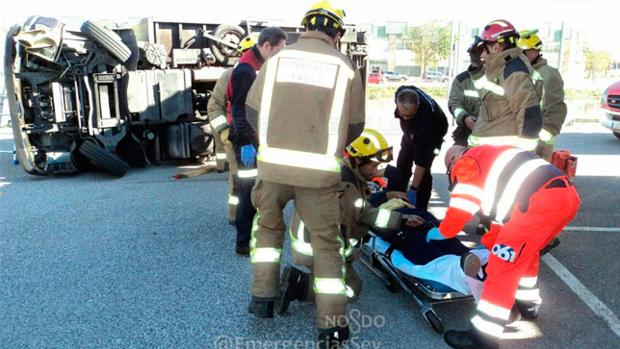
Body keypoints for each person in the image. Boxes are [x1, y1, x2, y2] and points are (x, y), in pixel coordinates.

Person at [244, 2, 365, 347]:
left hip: (273, 169)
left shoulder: (277, 59)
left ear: (305, 27)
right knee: (327, 246)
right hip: (320, 176)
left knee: (267, 231)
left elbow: (251, 111)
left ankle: (262, 300)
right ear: (337, 33)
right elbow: (355, 126)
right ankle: (332, 327)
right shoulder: (344, 67)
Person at [277, 130, 483, 314]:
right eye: (374, 165)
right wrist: (386, 201)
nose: (376, 170)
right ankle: (298, 285)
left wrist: (402, 218)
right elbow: (358, 218)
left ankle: (467, 257)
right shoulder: (344, 186)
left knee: (430, 225)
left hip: (363, 222)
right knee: (351, 289)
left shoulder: (350, 174)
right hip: (315, 247)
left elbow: (365, 208)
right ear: (359, 160)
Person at [428, 145, 580, 349]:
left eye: (450, 168)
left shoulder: (467, 161)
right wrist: (491, 243)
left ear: (454, 159)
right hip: (566, 199)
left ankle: (482, 338)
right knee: (526, 254)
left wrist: (443, 231)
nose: (453, 175)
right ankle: (528, 304)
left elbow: (463, 206)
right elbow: (503, 218)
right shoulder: (492, 154)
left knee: (501, 270)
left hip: (538, 204)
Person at [227, 27, 286, 256]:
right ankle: (243, 242)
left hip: (253, 139)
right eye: (278, 50)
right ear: (267, 46)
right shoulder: (246, 70)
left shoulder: (257, 65)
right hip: (246, 142)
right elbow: (239, 109)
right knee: (248, 192)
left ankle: (252, 236)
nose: (280, 55)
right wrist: (245, 143)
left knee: (256, 191)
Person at [467, 19, 543, 151]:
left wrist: (522, 157)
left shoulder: (514, 72)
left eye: (483, 48)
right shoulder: (501, 67)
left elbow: (530, 117)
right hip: (489, 152)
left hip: (500, 154)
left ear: (496, 47)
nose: (482, 53)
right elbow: (486, 94)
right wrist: (476, 66)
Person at [207, 37, 256, 225]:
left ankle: (257, 216)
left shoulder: (265, 75)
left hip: (258, 136)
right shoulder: (229, 75)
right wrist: (224, 131)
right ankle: (236, 216)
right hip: (235, 136)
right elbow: (214, 106)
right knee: (240, 179)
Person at [393, 85, 449, 210]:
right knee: (402, 163)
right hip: (412, 132)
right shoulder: (402, 91)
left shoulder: (427, 123)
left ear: (417, 108)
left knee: (424, 174)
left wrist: (413, 189)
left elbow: (421, 164)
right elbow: (406, 115)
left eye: (409, 115)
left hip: (433, 137)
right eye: (402, 114)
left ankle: (420, 207)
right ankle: (399, 197)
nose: (405, 118)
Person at [518, 29, 568, 161]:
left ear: (535, 51)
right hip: (521, 137)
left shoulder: (549, 74)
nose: (520, 57)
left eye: (524, 52)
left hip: (539, 142)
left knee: (537, 178)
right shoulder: (520, 74)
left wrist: (542, 137)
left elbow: (556, 109)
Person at [448, 39, 484, 146]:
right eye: (472, 54)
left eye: (478, 53)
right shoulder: (461, 80)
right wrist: (465, 118)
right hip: (467, 131)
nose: (474, 56)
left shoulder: (499, 77)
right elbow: (454, 104)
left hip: (493, 132)